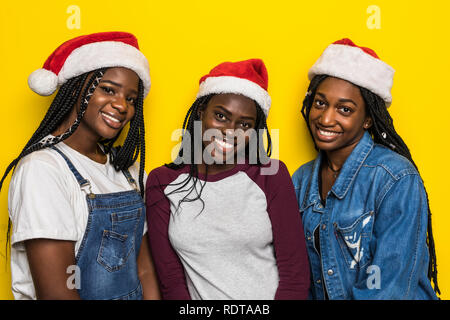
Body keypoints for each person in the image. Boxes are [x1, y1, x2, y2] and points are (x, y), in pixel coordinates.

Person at [1, 32, 161, 300]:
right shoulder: (43, 169)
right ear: (75, 87)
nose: (122, 105)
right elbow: (57, 293)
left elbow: (143, 270)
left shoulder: (130, 172)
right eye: (108, 89)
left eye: (131, 98)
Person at [146, 59, 310, 300]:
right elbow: (171, 280)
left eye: (244, 124)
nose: (230, 132)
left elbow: (295, 275)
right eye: (221, 116)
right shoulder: (162, 182)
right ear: (201, 111)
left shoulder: (270, 174)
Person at [292, 38, 439, 299]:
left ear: (368, 119)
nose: (326, 118)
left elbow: (389, 288)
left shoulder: (395, 178)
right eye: (320, 103)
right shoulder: (301, 180)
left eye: (345, 109)